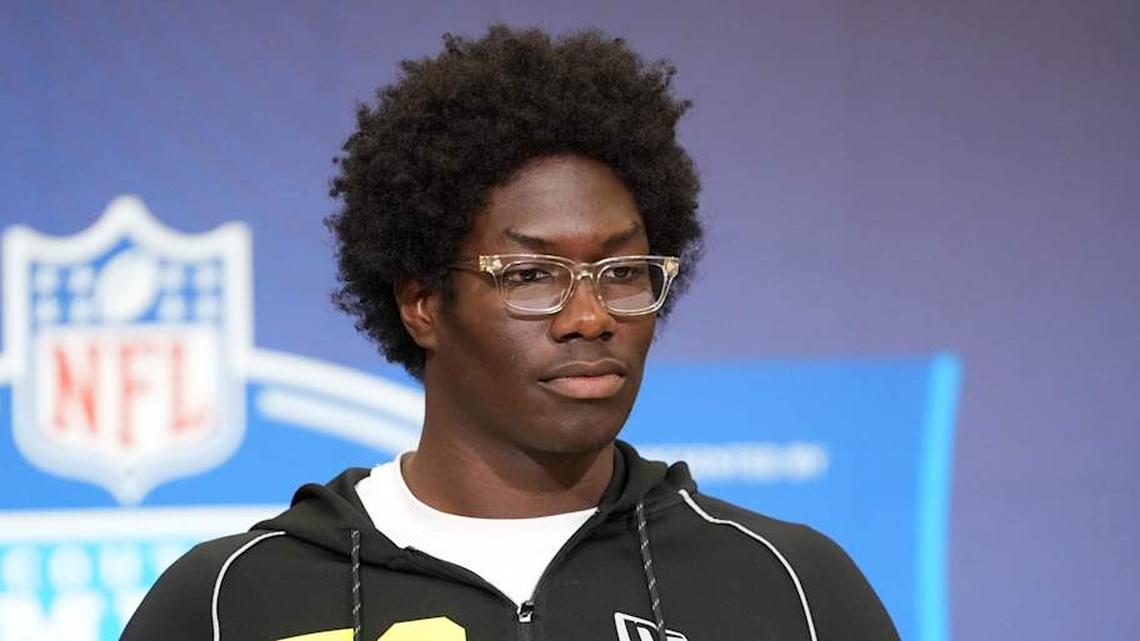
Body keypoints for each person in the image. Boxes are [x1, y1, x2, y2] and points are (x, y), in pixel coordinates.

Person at [121, 25, 898, 641]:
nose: (591, 317)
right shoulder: (230, 602)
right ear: (422, 302)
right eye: (531, 276)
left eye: (623, 272)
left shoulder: (792, 586)